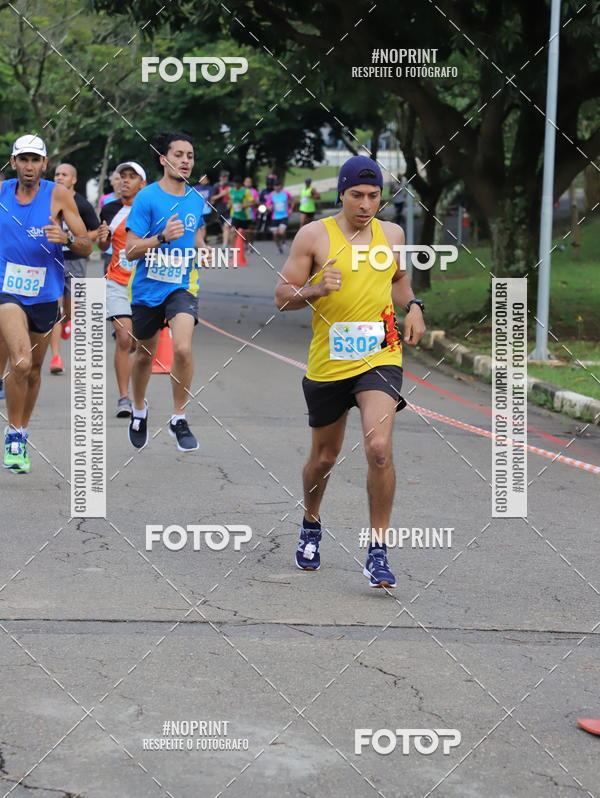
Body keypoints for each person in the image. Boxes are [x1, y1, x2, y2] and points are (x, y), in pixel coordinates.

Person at [274, 155, 425, 588]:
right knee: (324, 457)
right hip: (328, 361)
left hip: (380, 356)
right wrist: (318, 288)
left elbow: (398, 279)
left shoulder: (392, 234)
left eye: (373, 195)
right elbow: (282, 296)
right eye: (356, 195)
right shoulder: (313, 235)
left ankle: (377, 550)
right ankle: (311, 521)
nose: (365, 203)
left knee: (379, 449)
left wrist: (412, 305)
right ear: (341, 193)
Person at [0, 135, 91, 474]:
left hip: (44, 292)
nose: (28, 166)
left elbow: (86, 246)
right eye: (22, 159)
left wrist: (67, 238)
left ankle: (22, 432)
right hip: (6, 289)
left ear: (44, 164)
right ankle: (12, 432)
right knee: (21, 363)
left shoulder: (59, 195)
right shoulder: (2, 192)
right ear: (13, 163)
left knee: (35, 370)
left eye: (35, 160)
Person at [124, 131, 206, 452]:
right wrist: (161, 238)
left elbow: (195, 239)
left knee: (182, 349)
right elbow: (131, 250)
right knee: (144, 355)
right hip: (147, 288)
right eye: (179, 154)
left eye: (190, 155)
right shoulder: (146, 198)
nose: (185, 160)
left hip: (182, 286)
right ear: (163, 159)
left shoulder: (198, 200)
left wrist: (206, 250)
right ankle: (139, 409)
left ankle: (178, 417)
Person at [97, 161, 147, 418]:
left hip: (145, 284)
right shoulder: (110, 209)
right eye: (122, 176)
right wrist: (103, 238)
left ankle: (138, 395)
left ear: (143, 183)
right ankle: (123, 398)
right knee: (124, 338)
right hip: (116, 281)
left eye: (132, 177)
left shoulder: (151, 209)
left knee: (139, 342)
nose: (125, 181)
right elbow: (102, 246)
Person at [48, 163, 100, 374]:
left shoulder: (82, 204)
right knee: (55, 309)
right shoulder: (48, 200)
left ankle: (67, 321)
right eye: (57, 174)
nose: (59, 177)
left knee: (69, 310)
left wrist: (73, 239)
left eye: (64, 174)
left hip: (76, 259)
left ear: (74, 180)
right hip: (53, 259)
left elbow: (94, 232)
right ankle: (56, 358)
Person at [100, 170, 123, 275]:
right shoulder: (105, 200)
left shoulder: (135, 201)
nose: (120, 181)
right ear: (111, 182)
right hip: (110, 250)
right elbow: (102, 221)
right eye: (117, 179)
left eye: (122, 178)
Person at [229, 176, 255, 253]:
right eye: (234, 184)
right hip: (235, 215)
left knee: (248, 233)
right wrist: (229, 204)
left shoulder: (246, 191)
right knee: (233, 231)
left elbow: (253, 203)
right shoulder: (231, 190)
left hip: (245, 216)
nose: (235, 186)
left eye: (237, 184)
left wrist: (243, 205)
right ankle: (233, 249)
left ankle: (250, 246)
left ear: (240, 184)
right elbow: (231, 200)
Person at [267, 181, 293, 253]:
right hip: (275, 217)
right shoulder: (271, 195)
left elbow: (292, 200)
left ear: (280, 186)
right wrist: (269, 207)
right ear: (274, 187)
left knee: (281, 232)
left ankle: (283, 240)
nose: (277, 187)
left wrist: (291, 209)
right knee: (275, 234)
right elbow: (268, 204)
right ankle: (279, 248)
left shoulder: (286, 193)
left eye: (278, 185)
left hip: (284, 216)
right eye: (275, 186)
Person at [211, 171, 232, 247]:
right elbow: (212, 198)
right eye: (223, 177)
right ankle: (231, 244)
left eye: (226, 177)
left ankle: (225, 244)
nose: (225, 178)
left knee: (227, 226)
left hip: (230, 210)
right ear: (220, 178)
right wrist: (221, 194)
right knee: (225, 229)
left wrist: (230, 201)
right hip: (220, 210)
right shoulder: (216, 186)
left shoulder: (231, 185)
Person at [194, 174, 213, 241]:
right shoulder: (195, 188)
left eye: (205, 179)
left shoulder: (210, 188)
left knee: (203, 226)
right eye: (202, 179)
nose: (203, 180)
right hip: (197, 210)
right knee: (199, 227)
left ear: (207, 180)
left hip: (206, 210)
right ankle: (199, 242)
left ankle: (201, 242)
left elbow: (212, 199)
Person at [243, 176, 259, 246]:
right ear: (244, 183)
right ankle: (245, 244)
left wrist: (252, 204)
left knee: (250, 231)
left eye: (249, 182)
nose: (248, 183)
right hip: (243, 214)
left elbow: (257, 202)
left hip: (252, 214)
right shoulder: (241, 190)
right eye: (246, 182)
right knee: (244, 231)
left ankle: (251, 244)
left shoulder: (254, 191)